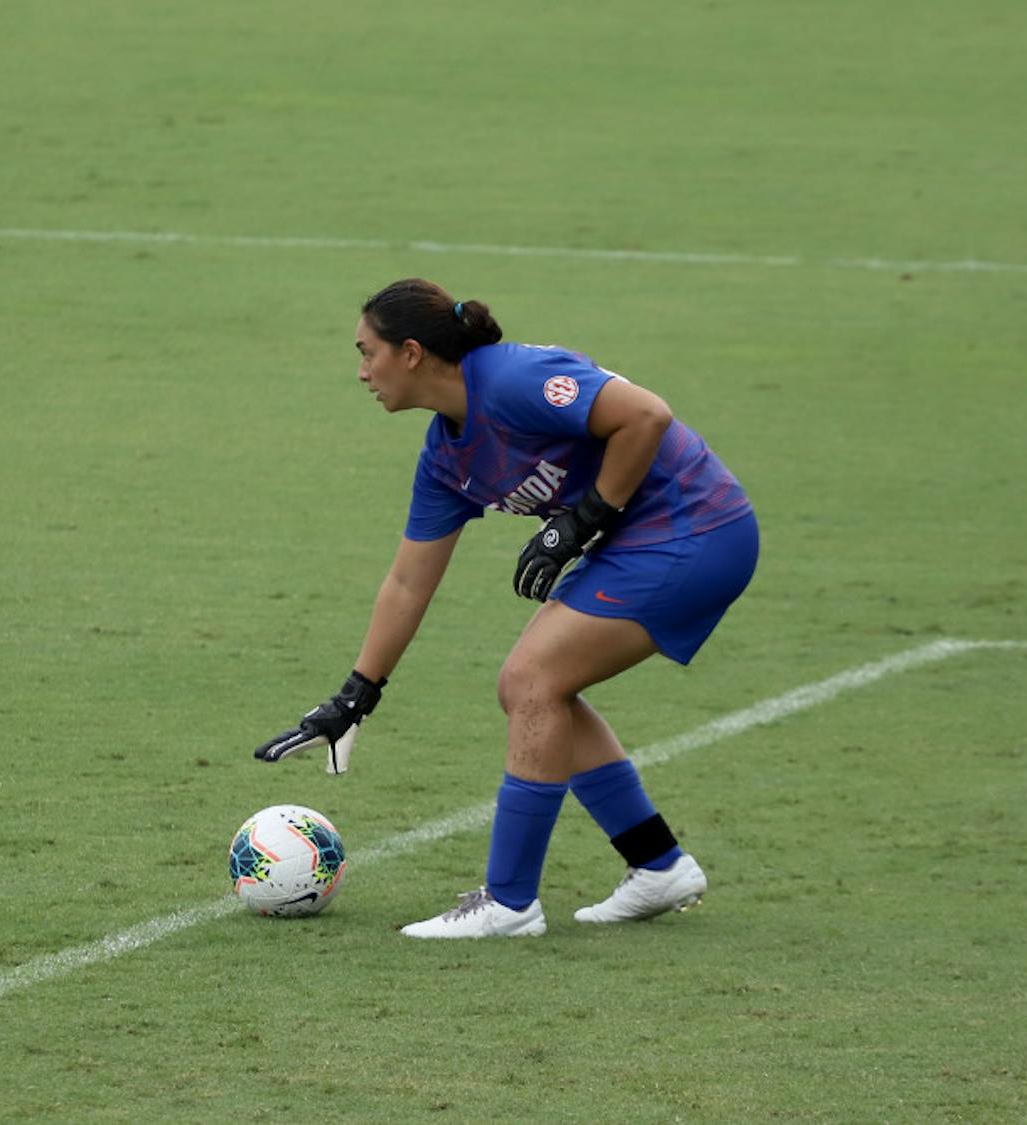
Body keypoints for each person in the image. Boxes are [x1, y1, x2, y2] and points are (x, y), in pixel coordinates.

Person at [254, 278, 759, 939]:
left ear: (410, 352)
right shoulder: (444, 455)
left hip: (698, 527)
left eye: (365, 352)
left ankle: (511, 902)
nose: (360, 372)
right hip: (646, 538)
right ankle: (656, 863)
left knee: (531, 680)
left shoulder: (514, 378)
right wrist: (355, 694)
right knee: (532, 686)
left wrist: (579, 523)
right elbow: (409, 581)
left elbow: (646, 416)